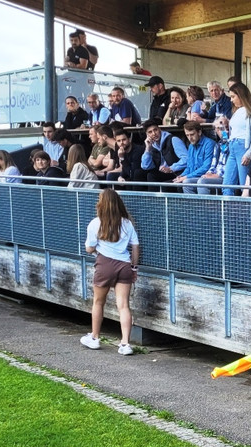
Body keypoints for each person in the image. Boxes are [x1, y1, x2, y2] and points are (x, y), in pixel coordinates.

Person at [81, 189, 140, 357]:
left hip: (104, 264)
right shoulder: (127, 223)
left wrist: (95, 248)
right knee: (123, 305)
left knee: (98, 302)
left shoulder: (95, 223)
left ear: (101, 204)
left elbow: (89, 248)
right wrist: (134, 268)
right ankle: (125, 344)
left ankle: (94, 338)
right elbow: (135, 246)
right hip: (124, 265)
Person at [224, 82, 251, 196]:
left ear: (241, 95)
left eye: (233, 96)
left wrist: (249, 153)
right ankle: (228, 211)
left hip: (243, 146)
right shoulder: (237, 111)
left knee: (245, 185)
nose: (231, 100)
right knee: (226, 184)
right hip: (233, 146)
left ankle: (246, 211)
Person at [140, 118, 188, 186]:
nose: (154, 134)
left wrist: (171, 168)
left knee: (153, 177)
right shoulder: (152, 146)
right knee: (144, 174)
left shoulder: (173, 139)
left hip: (176, 172)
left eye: (155, 130)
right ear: (147, 135)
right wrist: (147, 149)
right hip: (163, 173)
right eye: (150, 132)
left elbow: (186, 159)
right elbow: (146, 166)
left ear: (159, 129)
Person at [174, 121, 216, 194]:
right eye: (187, 135)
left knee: (186, 182)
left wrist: (186, 177)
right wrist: (182, 175)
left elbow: (206, 167)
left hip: (207, 177)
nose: (190, 138)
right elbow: (189, 166)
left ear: (199, 132)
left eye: (192, 134)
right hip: (195, 177)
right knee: (178, 182)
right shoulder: (191, 146)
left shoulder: (209, 144)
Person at [197, 116, 230, 194]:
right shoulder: (218, 145)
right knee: (187, 182)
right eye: (217, 129)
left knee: (202, 182)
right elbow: (213, 165)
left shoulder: (232, 144)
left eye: (223, 128)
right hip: (215, 175)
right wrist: (209, 173)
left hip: (224, 177)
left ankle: (205, 206)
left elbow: (226, 140)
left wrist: (217, 176)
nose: (220, 131)